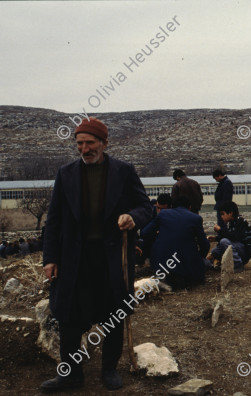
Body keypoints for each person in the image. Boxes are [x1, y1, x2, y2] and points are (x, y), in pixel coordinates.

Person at [41, 117, 153, 391]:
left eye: (90, 142)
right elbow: (53, 220)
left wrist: (132, 217)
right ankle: (70, 374)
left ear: (104, 143)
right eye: (79, 143)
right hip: (73, 259)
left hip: (111, 258)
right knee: (68, 319)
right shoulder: (65, 173)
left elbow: (145, 206)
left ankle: (109, 370)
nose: (84, 148)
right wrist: (51, 258)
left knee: (113, 314)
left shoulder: (123, 171)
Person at [141, 196, 210, 289]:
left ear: (172, 206)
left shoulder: (163, 214)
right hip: (185, 264)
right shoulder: (196, 218)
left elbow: (145, 232)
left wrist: (159, 240)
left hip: (161, 264)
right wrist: (199, 258)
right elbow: (204, 245)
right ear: (189, 207)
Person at [209, 201, 251, 273]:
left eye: (223, 214)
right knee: (215, 251)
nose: (221, 216)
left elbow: (234, 237)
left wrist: (220, 230)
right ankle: (222, 263)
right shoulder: (231, 223)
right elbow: (229, 236)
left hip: (246, 251)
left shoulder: (240, 221)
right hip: (238, 248)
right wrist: (215, 238)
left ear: (230, 213)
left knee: (224, 241)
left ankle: (237, 265)